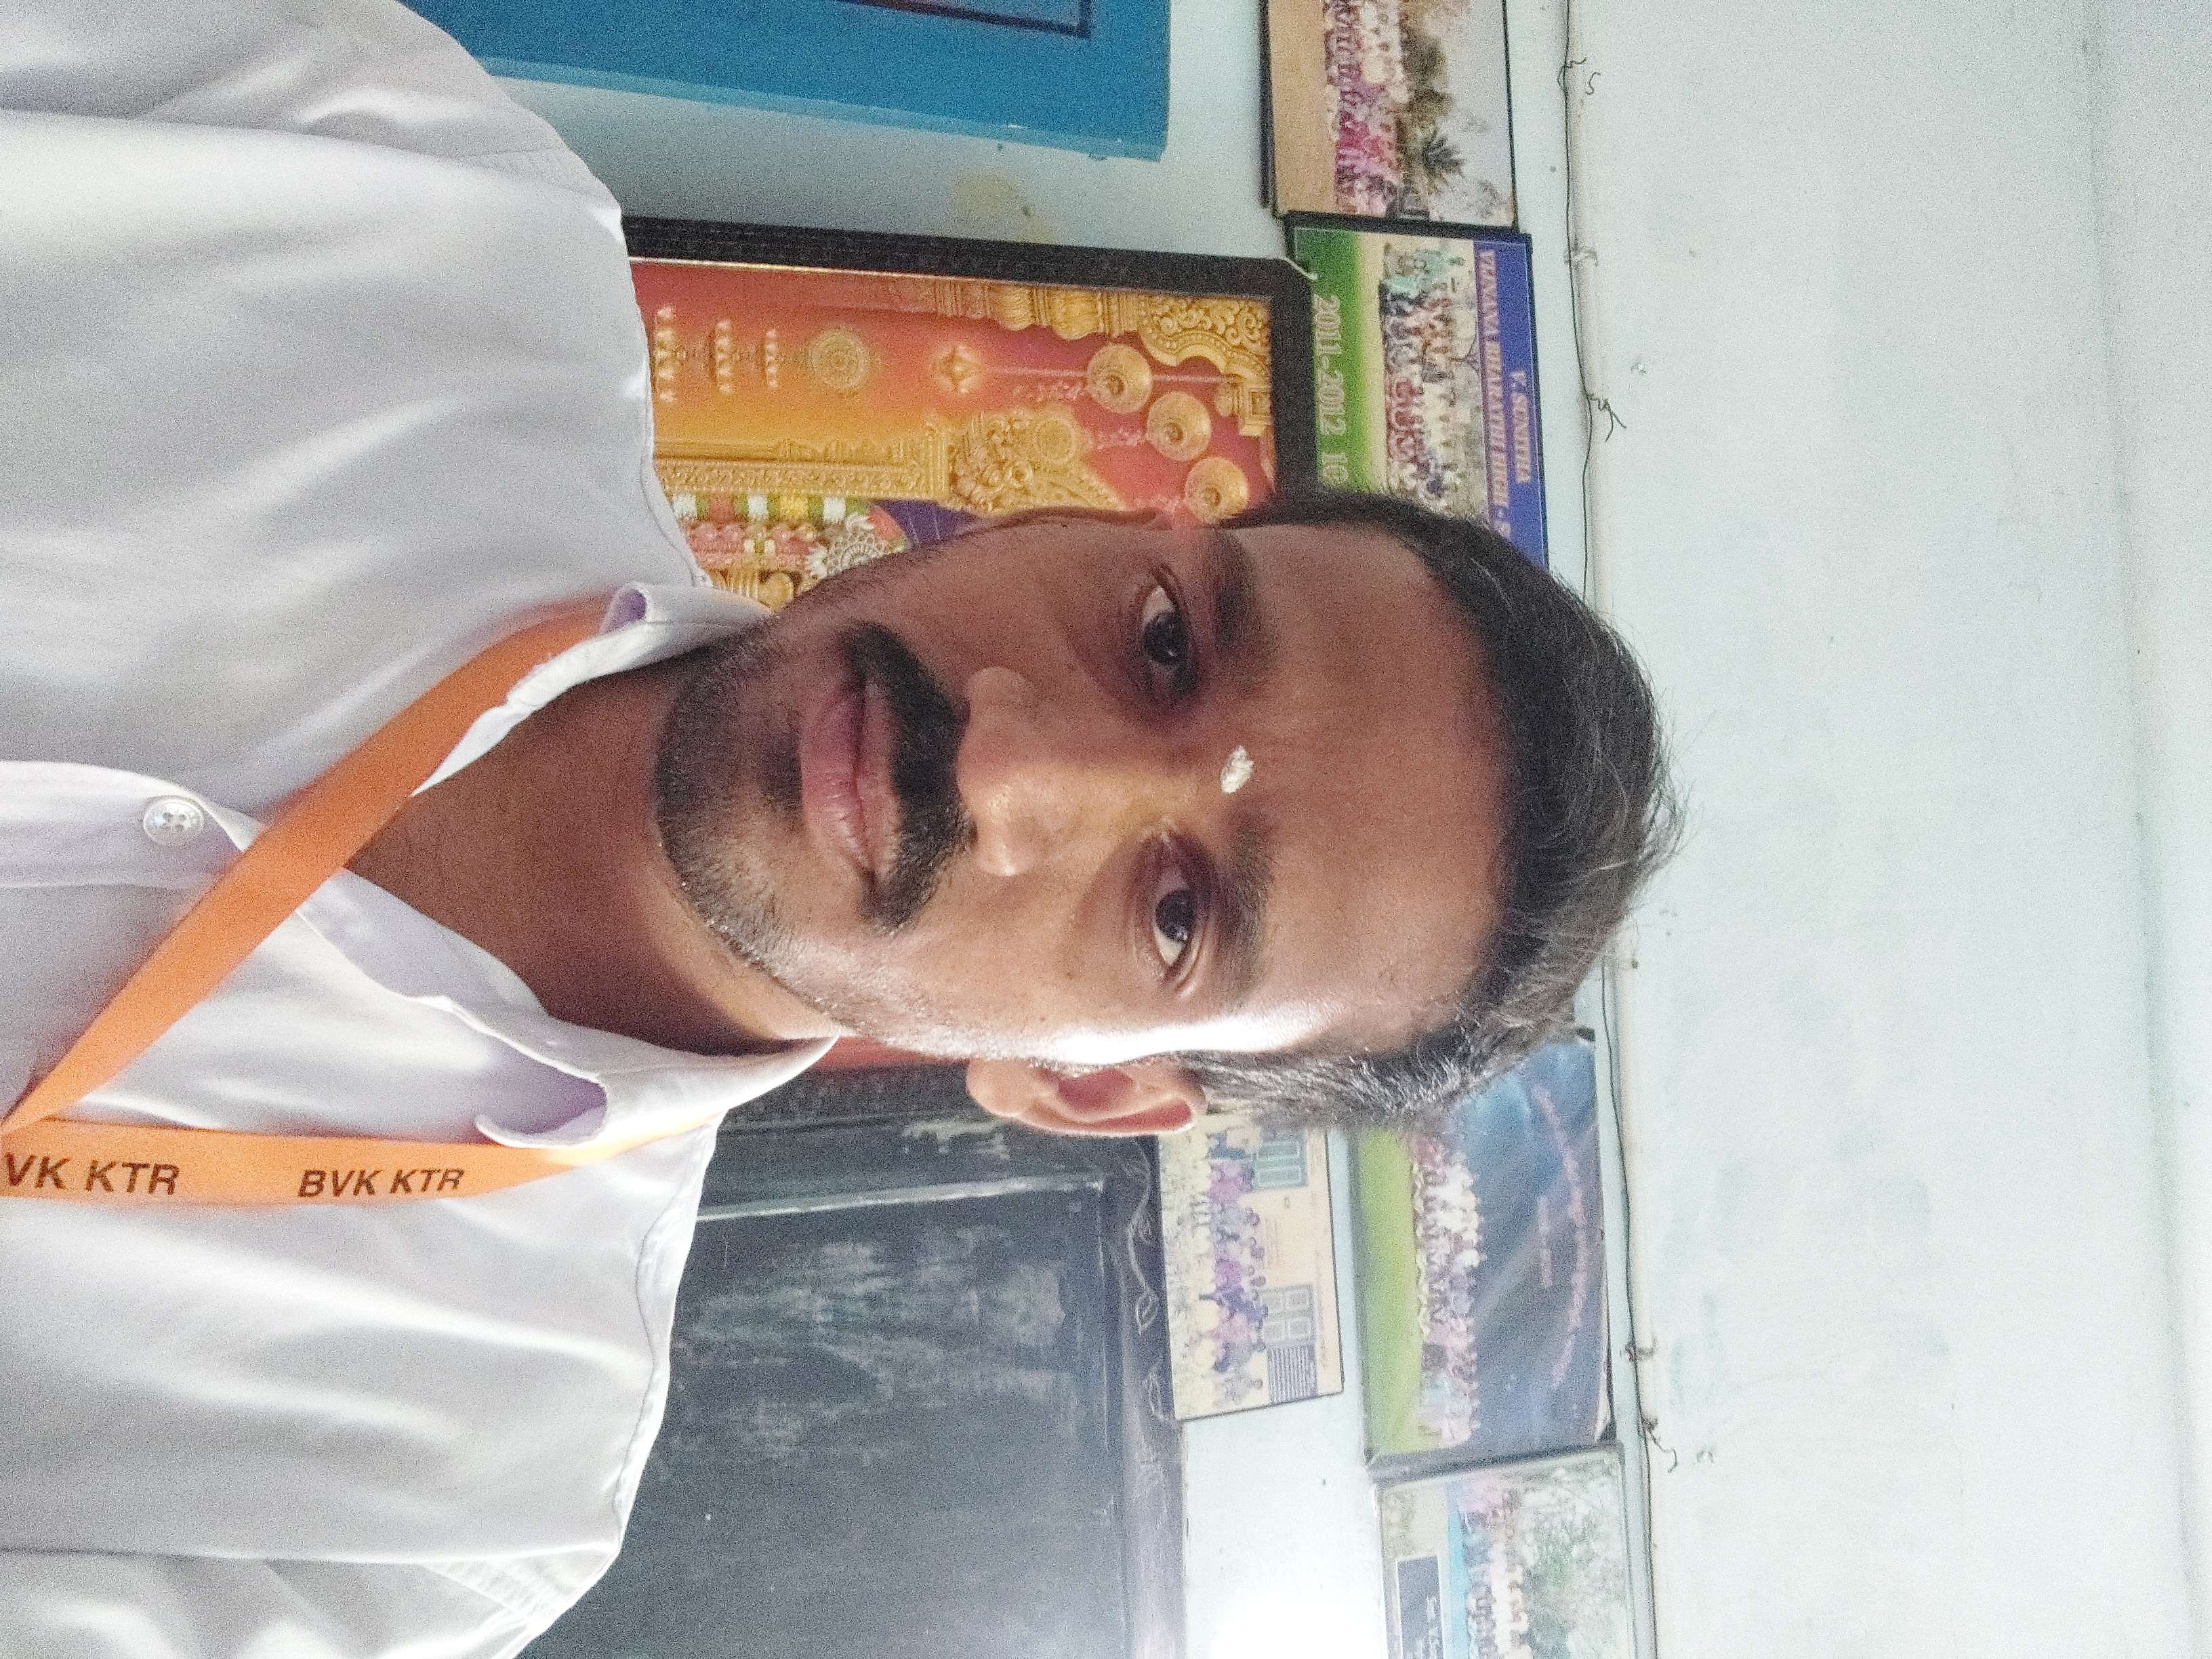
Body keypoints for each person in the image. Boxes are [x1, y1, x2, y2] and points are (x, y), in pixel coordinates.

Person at [0, 2, 1673, 1652]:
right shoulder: (405, 201)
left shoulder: (439, 1511)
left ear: (1091, 1090)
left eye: (1177, 913)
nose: (1013, 759)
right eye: (1163, 640)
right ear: (1080, 515)